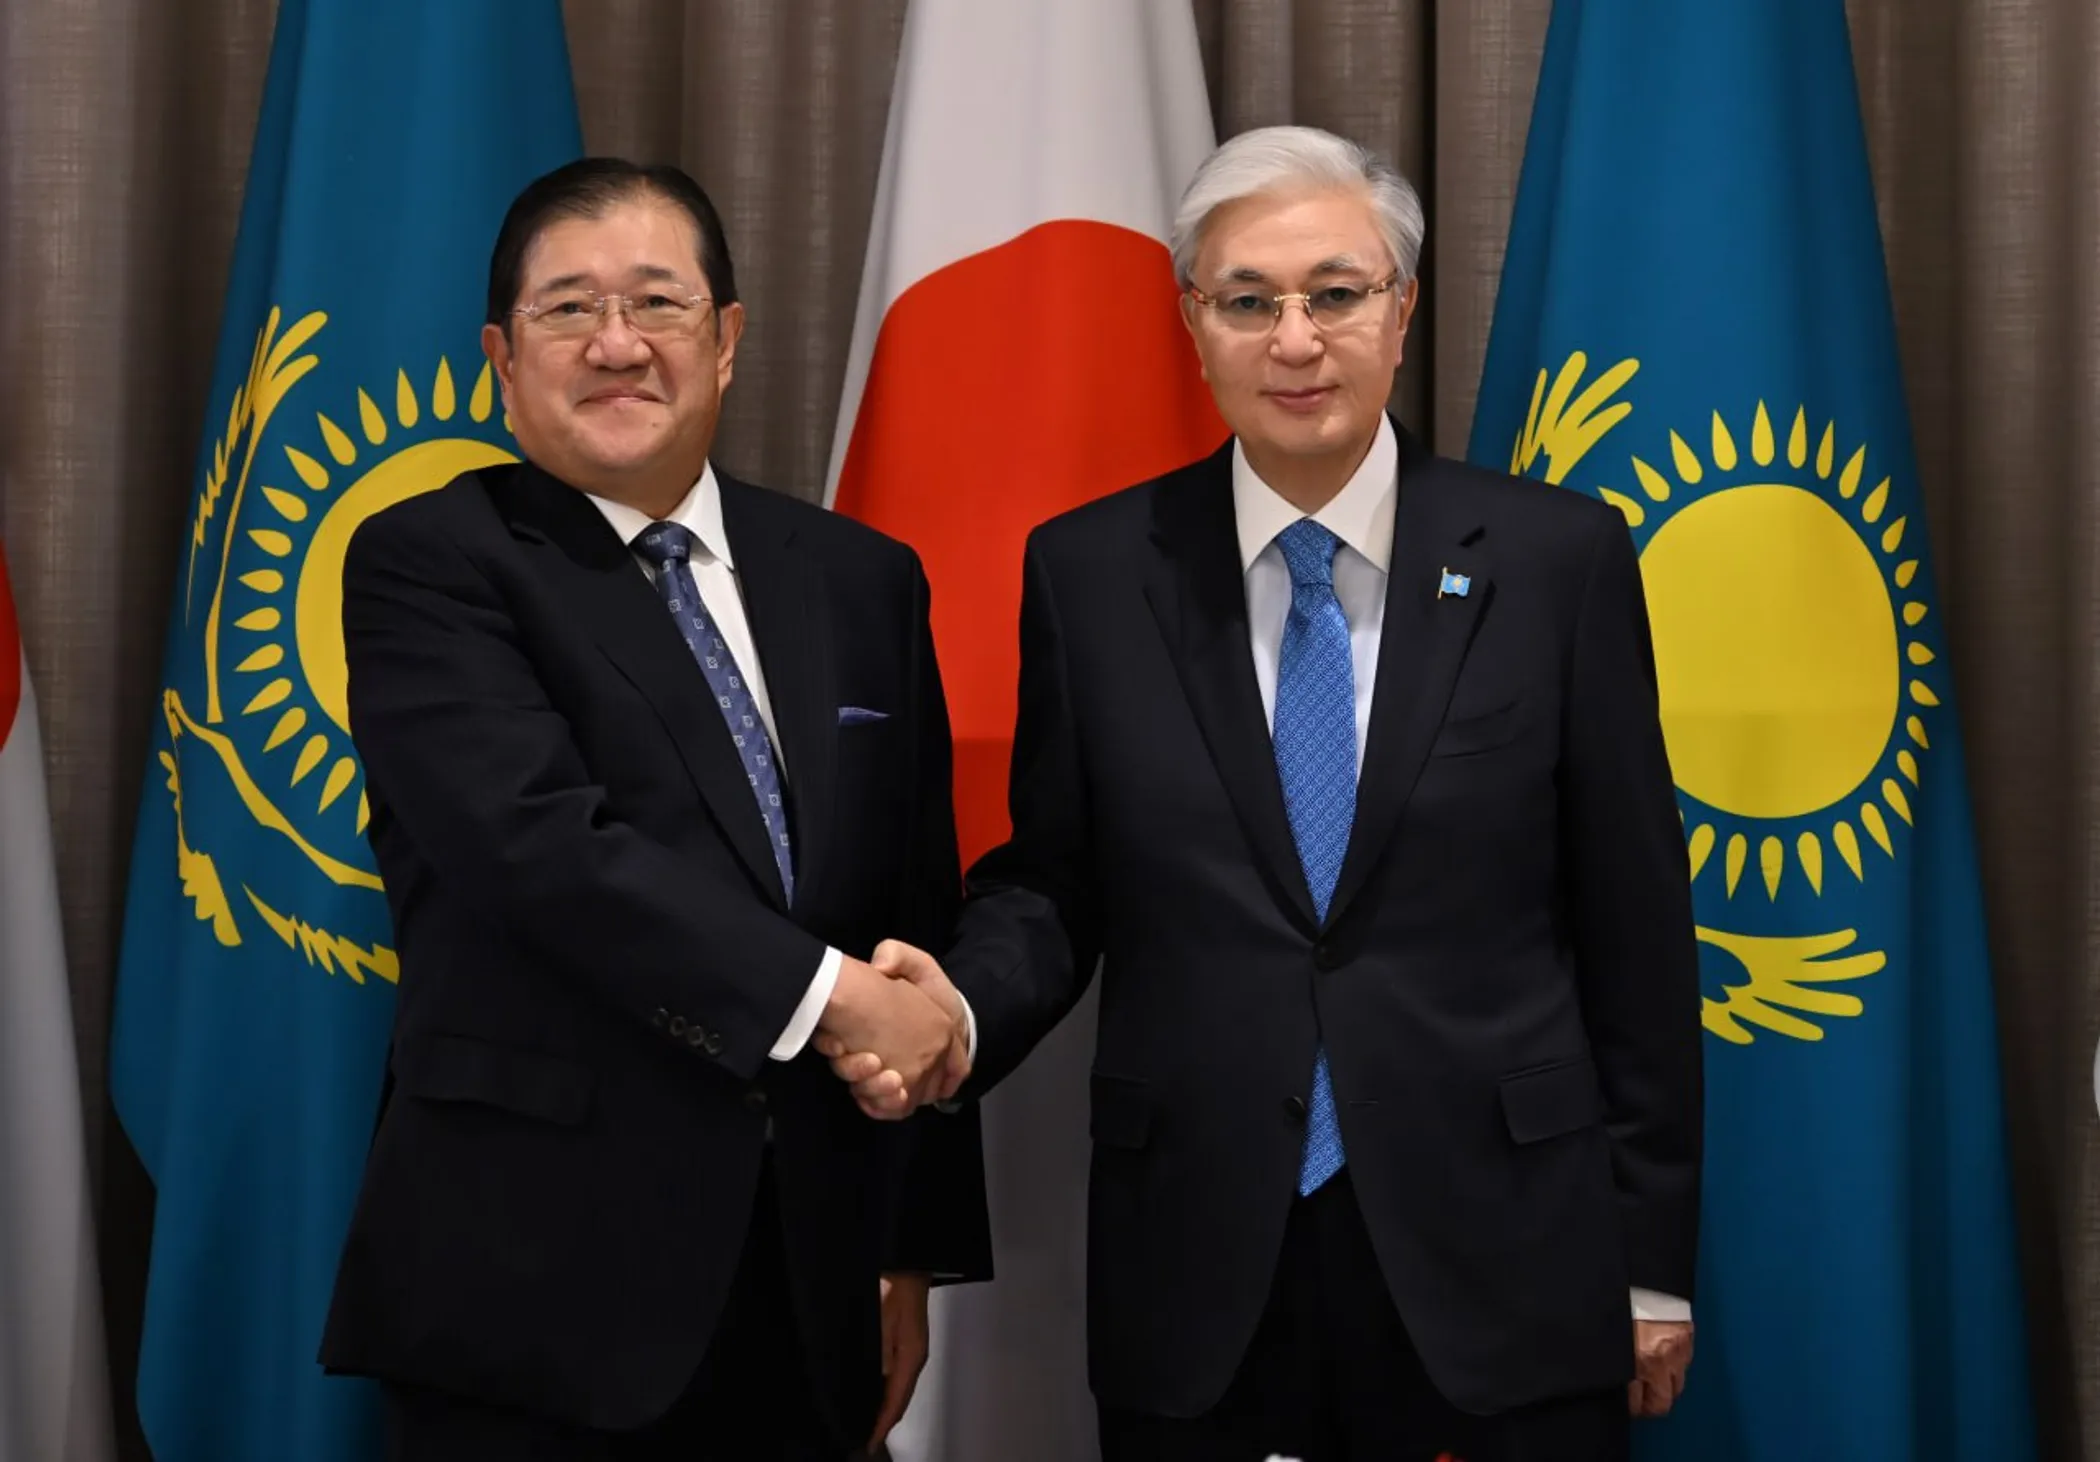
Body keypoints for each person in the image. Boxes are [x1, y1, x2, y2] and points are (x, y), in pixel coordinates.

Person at [827, 125, 1703, 1462]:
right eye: (1248, 301)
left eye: (1336, 293)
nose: (1295, 339)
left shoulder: (1555, 559)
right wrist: (954, 1004)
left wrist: (1649, 1268)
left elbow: (1634, 929)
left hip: (1504, 1251)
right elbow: (1057, 879)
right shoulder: (1092, 571)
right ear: (1195, 325)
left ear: (1402, 311)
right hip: (1200, 1255)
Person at [319, 157, 987, 1462]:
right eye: (569, 308)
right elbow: (540, 850)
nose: (616, 343)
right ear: (502, 358)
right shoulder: (430, 563)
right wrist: (840, 1002)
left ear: (725, 340)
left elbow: (916, 908)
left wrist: (910, 1243)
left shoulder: (860, 579)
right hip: (536, 1297)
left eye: (657, 303)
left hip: (810, 1285)